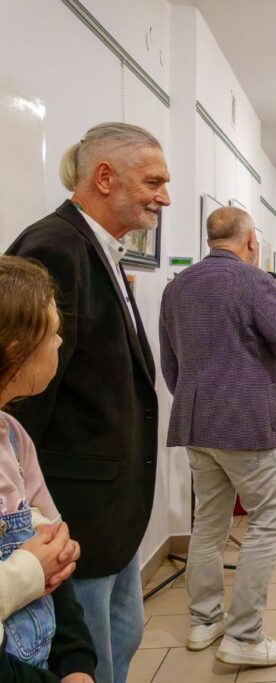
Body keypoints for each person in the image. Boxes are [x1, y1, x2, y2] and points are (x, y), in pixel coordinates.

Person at [6, 122, 167, 683]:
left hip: (108, 504)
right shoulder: (55, 246)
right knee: (90, 658)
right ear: (104, 177)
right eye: (153, 182)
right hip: (73, 504)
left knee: (122, 637)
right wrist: (26, 510)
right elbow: (21, 388)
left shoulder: (97, 247)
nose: (164, 197)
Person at [159, 206, 276, 668]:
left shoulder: (177, 286)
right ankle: (244, 635)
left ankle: (204, 621)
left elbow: (170, 363)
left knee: (208, 523)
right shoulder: (252, 280)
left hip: (197, 422)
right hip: (247, 424)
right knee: (268, 519)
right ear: (250, 242)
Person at [0, 255, 95, 683]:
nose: (59, 342)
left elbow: (53, 546)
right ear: (16, 351)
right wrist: (29, 571)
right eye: (53, 332)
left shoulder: (14, 438)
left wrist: (76, 663)